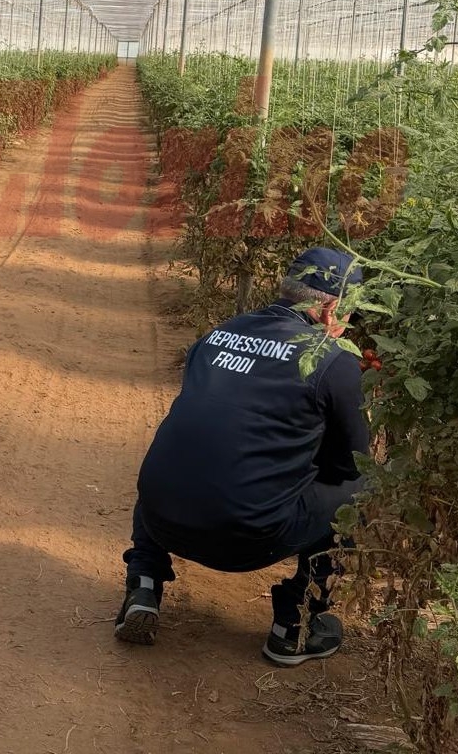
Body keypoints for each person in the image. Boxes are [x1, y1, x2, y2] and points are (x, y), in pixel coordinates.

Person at [115, 248, 369, 666]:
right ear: (331, 309)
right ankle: (296, 625)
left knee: (182, 457)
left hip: (161, 517)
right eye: (351, 315)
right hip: (245, 538)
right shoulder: (332, 363)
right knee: (364, 485)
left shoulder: (219, 334)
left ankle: (143, 583)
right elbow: (351, 464)